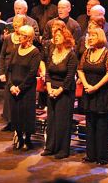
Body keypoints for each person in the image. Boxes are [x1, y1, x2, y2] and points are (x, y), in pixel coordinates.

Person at [77, 28, 108, 165]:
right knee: (90, 123)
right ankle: (90, 155)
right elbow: (80, 69)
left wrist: (95, 87)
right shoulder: (87, 52)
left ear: (99, 37)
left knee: (102, 126)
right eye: (89, 35)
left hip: (102, 93)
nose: (89, 38)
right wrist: (86, 85)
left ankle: (102, 157)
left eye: (92, 35)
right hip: (89, 92)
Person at [41, 28, 78, 159]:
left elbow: (69, 76)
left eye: (58, 36)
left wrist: (59, 90)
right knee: (51, 120)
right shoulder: (52, 51)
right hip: (52, 90)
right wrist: (49, 88)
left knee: (62, 121)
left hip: (65, 91)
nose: (55, 38)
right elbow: (48, 72)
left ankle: (62, 149)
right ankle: (50, 147)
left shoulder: (71, 55)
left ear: (66, 38)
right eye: (54, 36)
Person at [7, 25, 41, 150]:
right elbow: (9, 69)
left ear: (28, 38)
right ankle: (19, 138)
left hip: (26, 90)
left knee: (26, 114)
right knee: (16, 114)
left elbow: (32, 73)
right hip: (13, 89)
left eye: (22, 35)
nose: (19, 37)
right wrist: (11, 85)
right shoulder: (16, 50)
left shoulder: (35, 52)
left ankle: (27, 139)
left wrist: (20, 88)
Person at [0, 14, 26, 131]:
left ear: (24, 24)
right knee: (8, 97)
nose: (15, 24)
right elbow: (1, 56)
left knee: (18, 96)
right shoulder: (8, 38)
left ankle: (18, 123)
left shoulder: (25, 38)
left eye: (18, 22)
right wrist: (1, 72)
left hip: (20, 72)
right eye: (14, 22)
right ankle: (10, 122)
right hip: (8, 71)